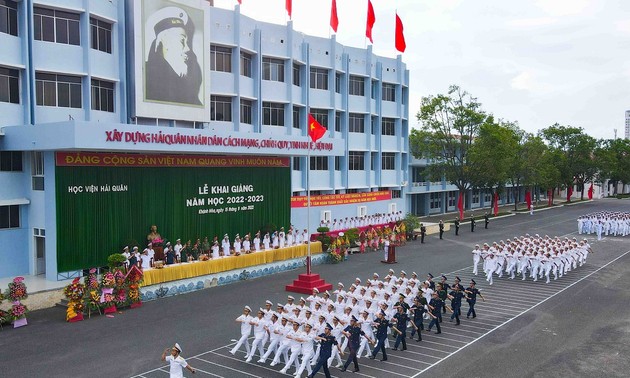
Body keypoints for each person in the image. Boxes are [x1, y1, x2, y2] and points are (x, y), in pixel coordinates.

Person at [145, 6, 202, 105]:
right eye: (181, 40)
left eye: (187, 42)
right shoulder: (146, 76)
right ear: (164, 42)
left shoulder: (189, 89)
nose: (187, 49)